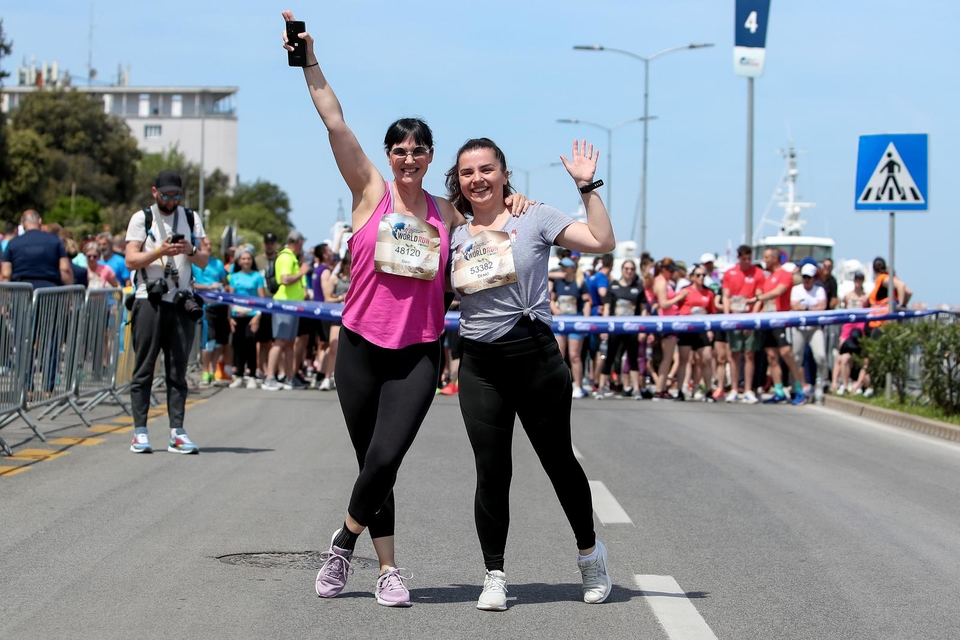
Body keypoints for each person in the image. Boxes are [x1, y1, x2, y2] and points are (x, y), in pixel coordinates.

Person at [281, 12, 530, 608]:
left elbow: (491, 222)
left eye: (419, 149)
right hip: (361, 348)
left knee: (388, 453)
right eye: (400, 149)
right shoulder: (370, 190)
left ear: (430, 155)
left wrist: (514, 200)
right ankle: (388, 570)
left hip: (418, 352)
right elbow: (332, 118)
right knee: (373, 462)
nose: (409, 157)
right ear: (390, 155)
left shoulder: (449, 213)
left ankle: (342, 543)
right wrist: (308, 58)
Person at [448, 137, 614, 610]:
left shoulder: (532, 216)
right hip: (480, 363)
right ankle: (494, 574)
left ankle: (590, 555)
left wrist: (588, 187)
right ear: (458, 181)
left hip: (536, 358)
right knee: (491, 471)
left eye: (486, 169)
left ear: (503, 173)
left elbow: (602, 242)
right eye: (467, 173)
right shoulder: (454, 232)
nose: (477, 179)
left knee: (558, 461)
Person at [124, 170, 209, 454]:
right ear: (154, 192)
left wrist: (190, 249)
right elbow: (131, 260)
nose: (171, 200)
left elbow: (206, 260)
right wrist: (159, 251)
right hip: (149, 298)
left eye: (176, 195)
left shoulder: (191, 217)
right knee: (144, 368)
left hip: (181, 301)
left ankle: (177, 432)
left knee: (178, 370)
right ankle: (140, 431)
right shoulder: (142, 218)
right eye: (165, 195)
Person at [750, 247, 806, 405]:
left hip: (781, 321)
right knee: (772, 357)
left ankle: (799, 389)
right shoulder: (769, 278)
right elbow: (766, 301)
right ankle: (779, 390)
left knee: (787, 354)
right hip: (768, 321)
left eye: (767, 257)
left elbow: (777, 293)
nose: (764, 259)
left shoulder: (785, 275)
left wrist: (757, 298)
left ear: (775, 258)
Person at [262, 230, 310, 391]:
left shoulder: (291, 258)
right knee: (280, 342)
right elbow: (284, 279)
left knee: (289, 343)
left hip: (293, 306)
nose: (303, 244)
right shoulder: (285, 257)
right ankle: (269, 377)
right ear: (296, 241)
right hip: (284, 304)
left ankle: (290, 377)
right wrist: (302, 272)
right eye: (302, 241)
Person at [721, 245, 764, 403]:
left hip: (749, 317)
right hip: (734, 316)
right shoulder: (730, 273)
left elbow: (759, 297)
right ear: (739, 258)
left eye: (749, 259)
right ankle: (733, 388)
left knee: (749, 354)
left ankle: (748, 389)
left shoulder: (757, 273)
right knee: (734, 354)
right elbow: (725, 296)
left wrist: (752, 319)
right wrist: (727, 317)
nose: (747, 262)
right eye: (744, 259)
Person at [597, 259, 647, 398]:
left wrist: (642, 329)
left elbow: (643, 310)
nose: (629, 271)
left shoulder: (639, 288)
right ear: (622, 269)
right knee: (610, 357)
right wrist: (604, 328)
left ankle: (636, 389)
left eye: (631, 269)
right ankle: (601, 387)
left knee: (633, 358)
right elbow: (607, 308)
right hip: (615, 328)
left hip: (632, 329)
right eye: (626, 268)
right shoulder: (613, 287)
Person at [550, 257, 591, 398]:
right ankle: (557, 385)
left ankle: (578, 385)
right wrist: (555, 310)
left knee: (574, 355)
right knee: (559, 355)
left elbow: (586, 302)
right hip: (560, 323)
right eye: (562, 267)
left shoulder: (580, 283)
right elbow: (552, 299)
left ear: (573, 268)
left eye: (566, 267)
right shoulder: (558, 283)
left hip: (575, 322)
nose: (564, 270)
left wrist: (586, 320)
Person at [0, 210, 74, 287]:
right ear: (39, 221)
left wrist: (6, 295)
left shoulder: (13, 244)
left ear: (22, 224)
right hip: (50, 292)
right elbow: (65, 269)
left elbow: (6, 274)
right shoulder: (55, 241)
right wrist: (70, 291)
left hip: (21, 292)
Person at [676, 264, 717, 401]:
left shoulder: (709, 293)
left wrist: (710, 330)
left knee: (706, 359)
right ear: (693, 277)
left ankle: (708, 390)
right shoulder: (685, 291)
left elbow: (712, 312)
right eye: (698, 275)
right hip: (686, 328)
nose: (701, 278)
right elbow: (677, 307)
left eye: (703, 275)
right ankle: (680, 390)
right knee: (683, 360)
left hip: (701, 329)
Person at [226, 247, 266, 389]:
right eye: (243, 258)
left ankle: (252, 375)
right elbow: (230, 299)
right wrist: (230, 317)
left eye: (249, 259)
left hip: (252, 315)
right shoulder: (234, 276)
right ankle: (239, 375)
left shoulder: (257, 276)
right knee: (237, 346)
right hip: (237, 315)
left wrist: (257, 316)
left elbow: (261, 298)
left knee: (250, 344)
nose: (246, 261)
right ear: (239, 261)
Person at [192, 247, 230, 387]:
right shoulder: (194, 263)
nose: (208, 247)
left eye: (209, 245)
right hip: (206, 307)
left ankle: (213, 372)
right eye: (204, 245)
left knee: (219, 341)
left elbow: (225, 282)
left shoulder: (218, 263)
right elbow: (191, 284)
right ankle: (205, 371)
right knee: (208, 339)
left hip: (220, 305)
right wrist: (209, 288)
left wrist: (224, 288)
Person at [651, 258, 687, 400]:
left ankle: (662, 387)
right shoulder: (661, 282)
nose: (672, 273)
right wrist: (679, 297)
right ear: (664, 270)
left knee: (668, 358)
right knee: (667, 358)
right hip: (666, 323)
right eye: (670, 270)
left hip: (669, 322)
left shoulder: (663, 282)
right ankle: (659, 388)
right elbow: (664, 304)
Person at [790, 263, 828, 394]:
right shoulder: (796, 289)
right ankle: (795, 385)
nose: (806, 280)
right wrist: (811, 308)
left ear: (814, 278)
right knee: (796, 357)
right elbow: (794, 306)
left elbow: (822, 306)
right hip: (799, 328)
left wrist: (804, 308)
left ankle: (820, 383)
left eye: (809, 277)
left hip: (814, 327)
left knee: (821, 356)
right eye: (804, 277)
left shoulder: (819, 290)